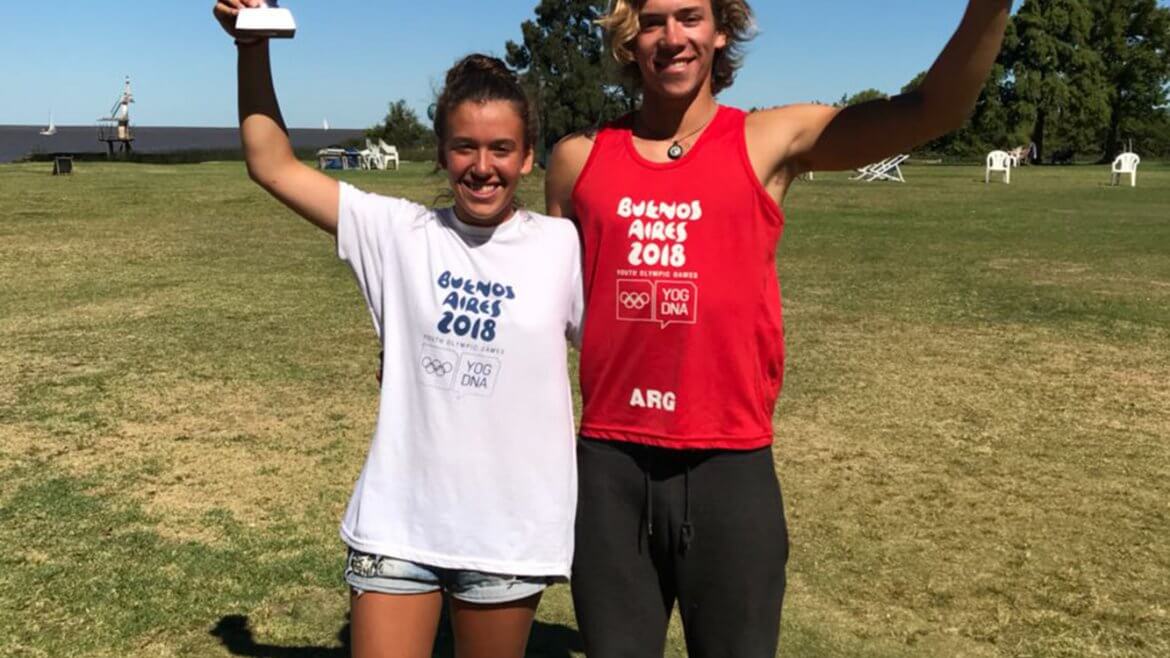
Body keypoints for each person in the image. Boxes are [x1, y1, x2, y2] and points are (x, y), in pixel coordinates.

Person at [545, 0, 1012, 656]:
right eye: (652, 21)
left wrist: (991, 8)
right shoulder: (578, 160)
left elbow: (933, 110)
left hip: (729, 467)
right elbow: (541, 311)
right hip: (610, 467)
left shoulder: (766, 140)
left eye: (690, 17)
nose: (672, 37)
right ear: (629, 37)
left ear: (721, 30)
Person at [213, 3, 584, 657]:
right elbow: (272, 165)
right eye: (465, 147)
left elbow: (626, 351)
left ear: (528, 157)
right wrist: (251, 50)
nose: (482, 166)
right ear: (442, 152)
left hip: (507, 533)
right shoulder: (398, 233)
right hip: (398, 527)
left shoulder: (562, 246)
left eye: (501, 148)